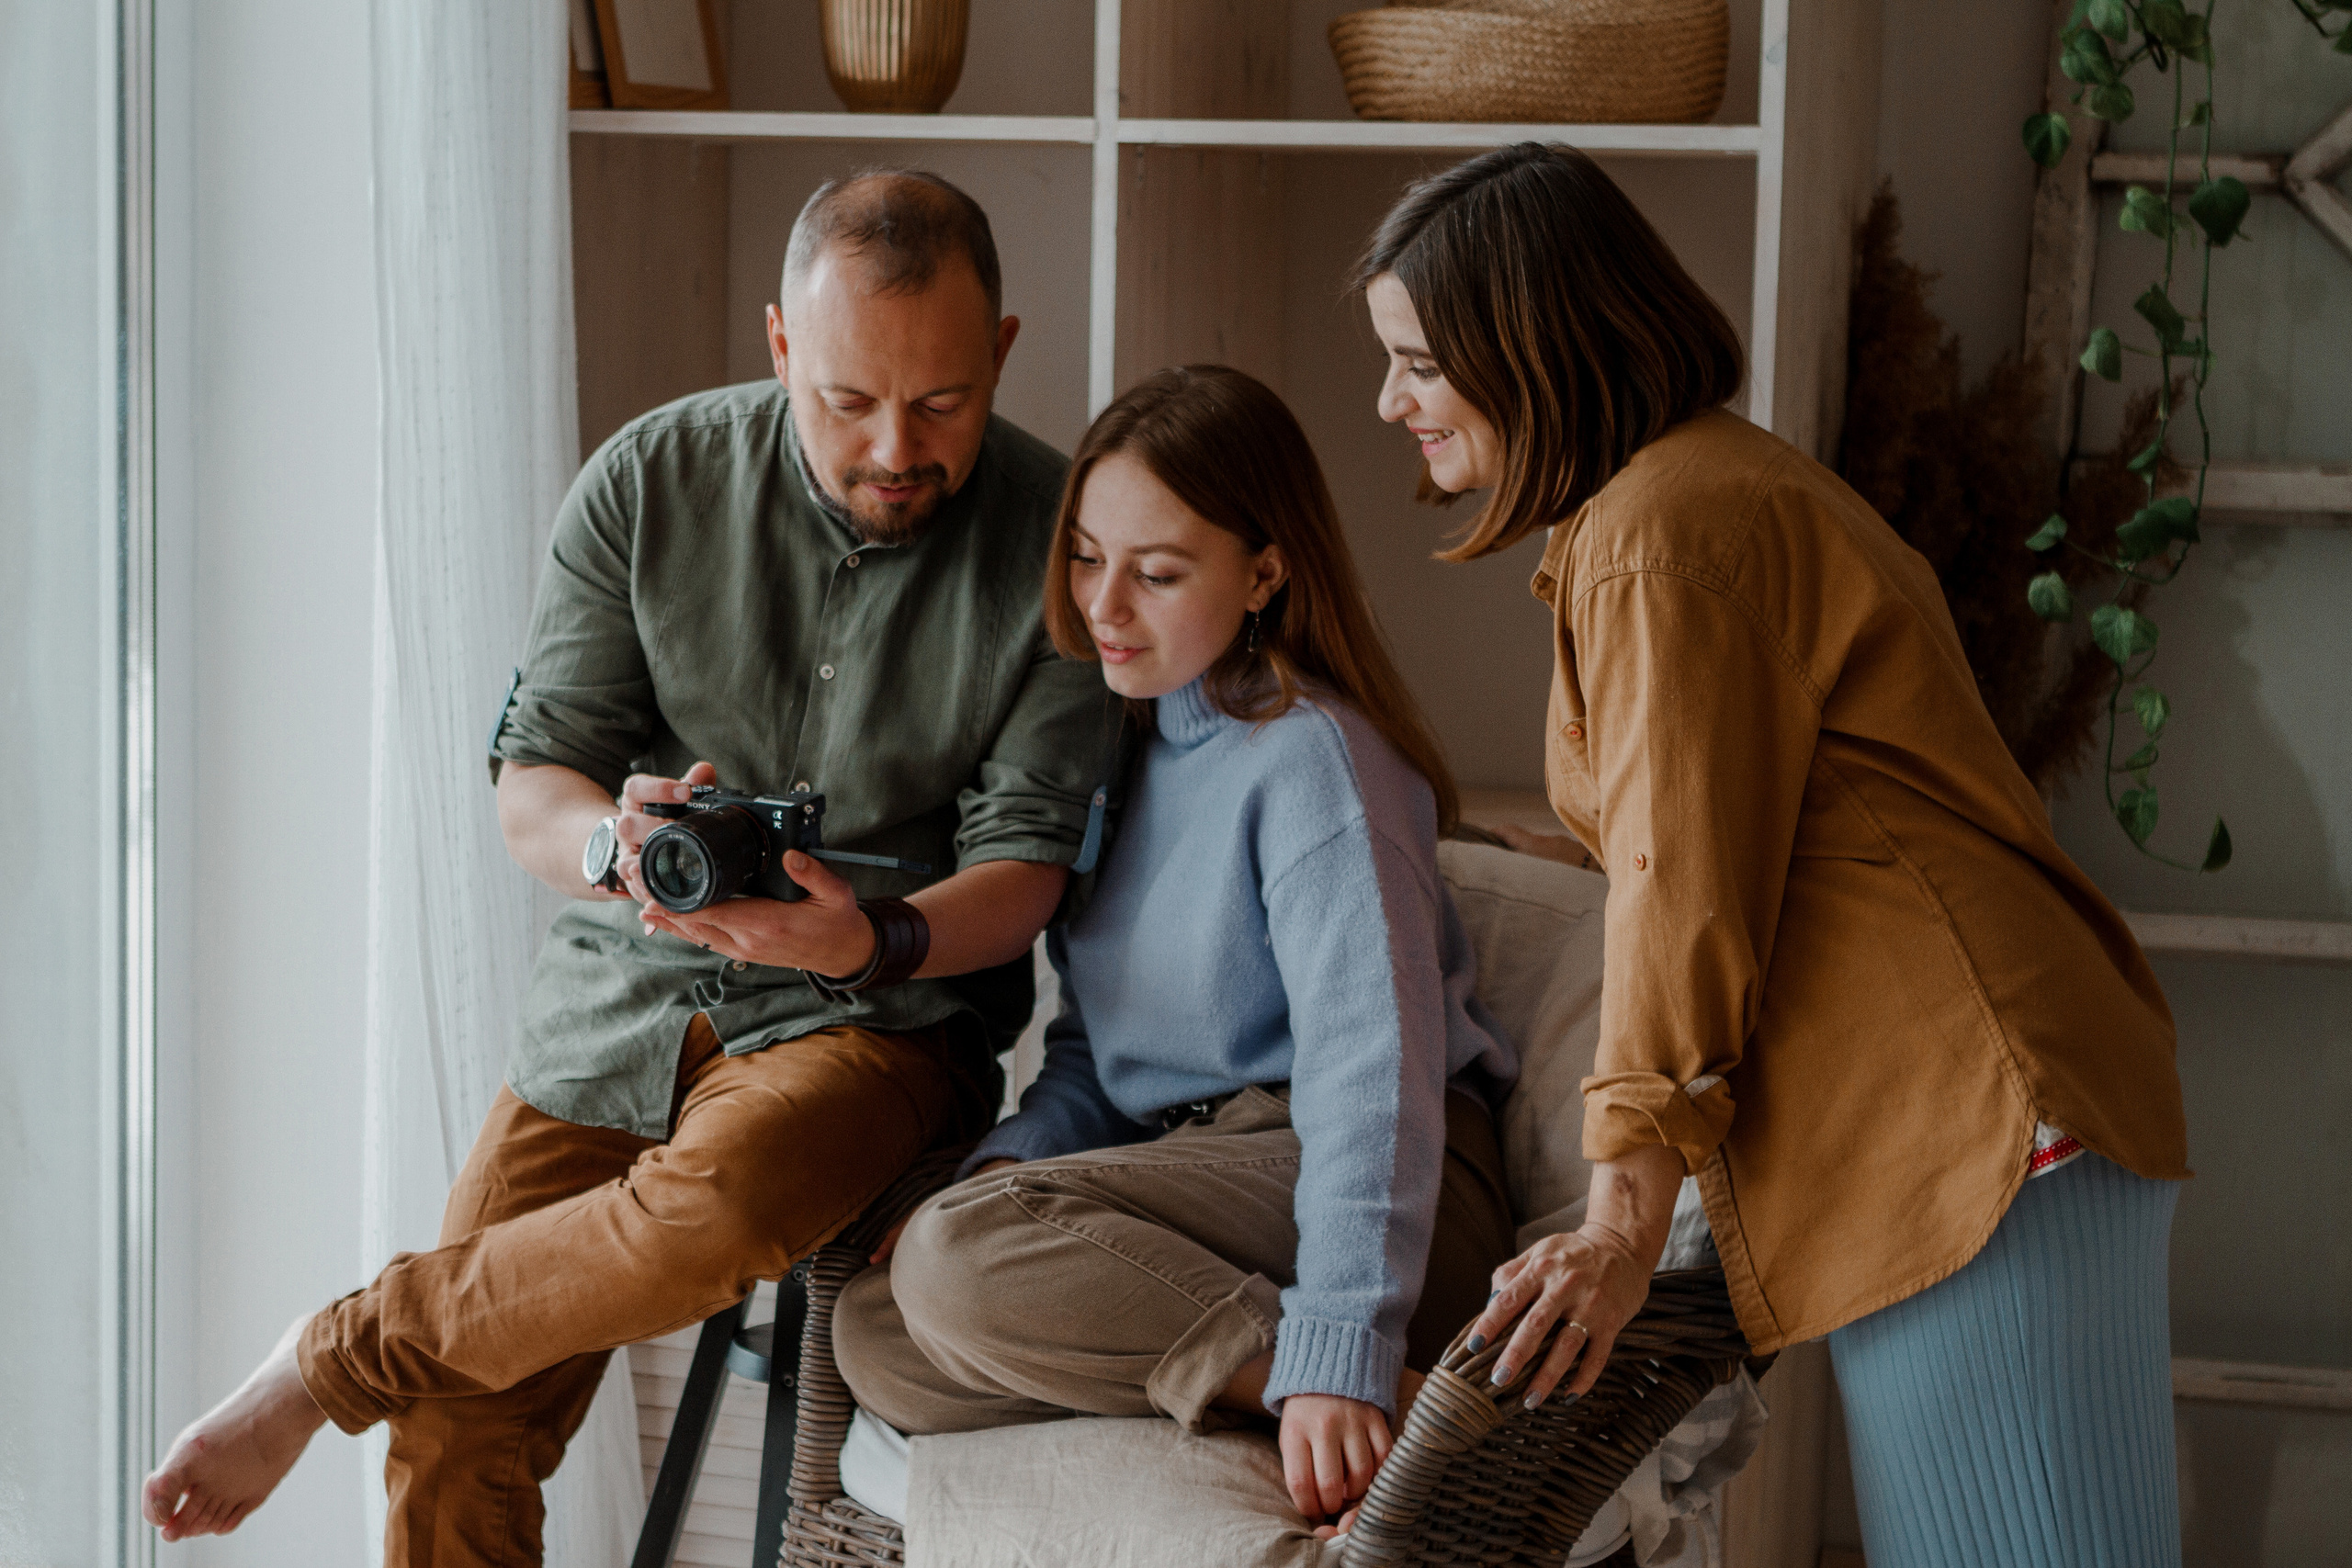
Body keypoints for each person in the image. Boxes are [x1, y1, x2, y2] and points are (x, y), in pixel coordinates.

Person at [141, 170, 1110, 1565]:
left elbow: (1025, 871)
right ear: (782, 346)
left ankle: (326, 1356)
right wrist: (616, 841)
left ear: (1003, 350)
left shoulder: (1055, 542)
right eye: (848, 400)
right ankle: (368, 1367)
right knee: (455, 1424)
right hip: (617, 1002)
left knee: (700, 1214)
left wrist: (869, 940)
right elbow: (531, 781)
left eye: (943, 402)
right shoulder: (649, 481)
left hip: (878, 1024)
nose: (898, 444)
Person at [1356, 143, 2191, 1566]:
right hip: (1975, 1123)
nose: (1391, 401)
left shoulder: (1656, 539)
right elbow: (1715, 836)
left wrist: (1620, 1226)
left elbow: (1688, 899)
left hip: (1974, 1126)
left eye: (1422, 363)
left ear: (1536, 351)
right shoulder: (1690, 501)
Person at [831, 365, 1520, 1535]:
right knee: (876, 1328)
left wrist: (1344, 1330)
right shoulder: (1127, 759)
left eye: (1155, 573)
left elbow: (1375, 1070)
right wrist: (1008, 1166)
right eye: (1087, 558)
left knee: (958, 1262)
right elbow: (1101, 1058)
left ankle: (1336, 1382)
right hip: (1194, 1188)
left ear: (1264, 570)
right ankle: (1291, 1392)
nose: (1103, 605)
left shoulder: (1312, 760)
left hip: (1368, 1187)